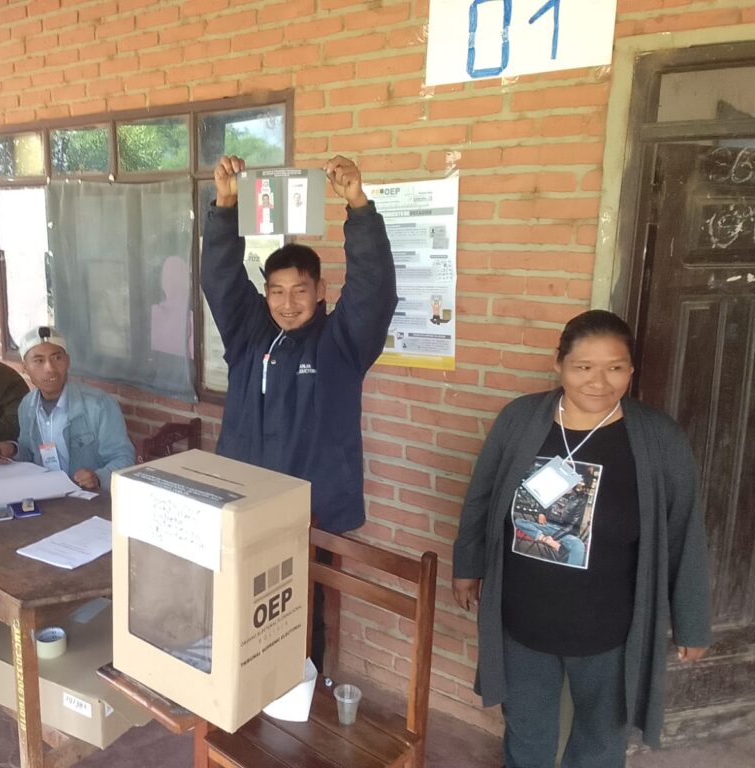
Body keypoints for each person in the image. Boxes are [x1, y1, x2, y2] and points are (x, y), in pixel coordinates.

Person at [452, 310, 711, 768]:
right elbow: (482, 497)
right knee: (526, 735)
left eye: (615, 367)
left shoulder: (659, 438)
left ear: (631, 369)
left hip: (610, 628)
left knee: (600, 742)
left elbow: (684, 530)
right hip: (523, 618)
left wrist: (692, 622)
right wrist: (467, 567)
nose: (599, 381)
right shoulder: (520, 420)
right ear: (559, 364)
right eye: (584, 367)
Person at [202, 154, 397, 668]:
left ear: (321, 291)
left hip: (312, 515)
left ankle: (300, 696)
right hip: (245, 504)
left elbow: (374, 290)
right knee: (238, 610)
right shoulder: (249, 334)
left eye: (300, 292)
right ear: (265, 293)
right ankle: (243, 691)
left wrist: (358, 206)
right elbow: (220, 279)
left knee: (300, 619)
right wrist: (225, 206)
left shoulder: (342, 342)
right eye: (276, 292)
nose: (287, 304)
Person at [0, 326, 135, 491]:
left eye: (57, 358)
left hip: (87, 496)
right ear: (25, 367)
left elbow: (124, 458)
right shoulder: (27, 405)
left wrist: (98, 478)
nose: (50, 368)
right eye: (39, 361)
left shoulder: (99, 404)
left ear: (68, 361)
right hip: (44, 492)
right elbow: (29, 453)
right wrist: (13, 449)